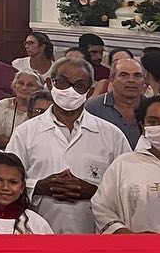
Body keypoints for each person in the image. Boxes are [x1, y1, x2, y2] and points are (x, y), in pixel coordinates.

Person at [7, 58, 132, 234]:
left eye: (79, 86)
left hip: (92, 233)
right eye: (63, 83)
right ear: (50, 84)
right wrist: (40, 186)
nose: (70, 91)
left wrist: (95, 191)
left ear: (89, 92)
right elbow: (6, 181)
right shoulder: (25, 132)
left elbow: (128, 186)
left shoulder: (111, 135)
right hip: (36, 232)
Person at [92, 94, 160, 234]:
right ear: (143, 126)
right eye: (154, 122)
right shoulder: (124, 164)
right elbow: (102, 207)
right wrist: (125, 235)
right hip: (138, 250)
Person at [84, 56, 146, 147]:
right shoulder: (92, 108)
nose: (131, 80)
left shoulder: (152, 108)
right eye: (124, 75)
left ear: (144, 80)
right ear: (112, 79)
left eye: (137, 76)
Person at [0, 71, 45, 150]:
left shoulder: (41, 111)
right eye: (21, 83)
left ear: (40, 89)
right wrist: (21, 144)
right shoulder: (3, 105)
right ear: (14, 86)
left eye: (30, 85)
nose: (24, 88)